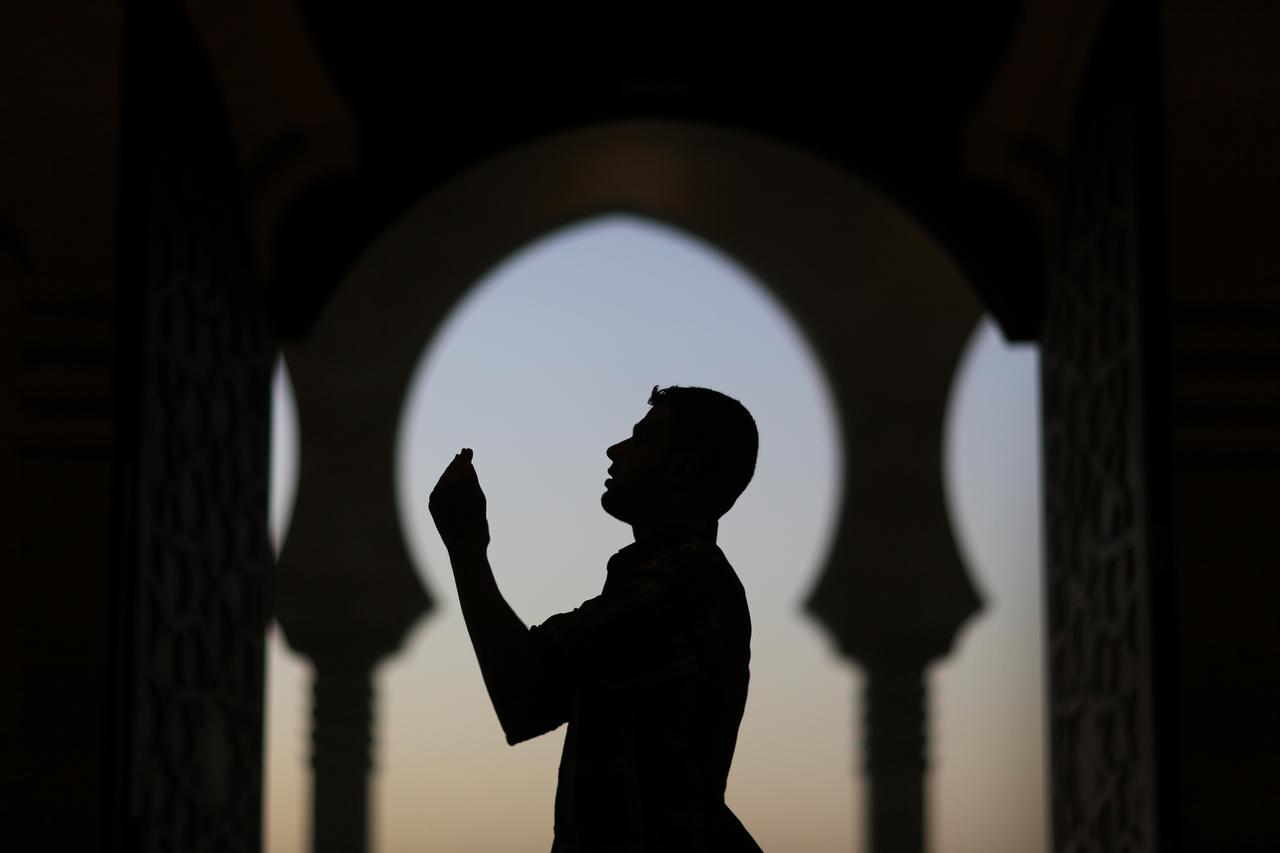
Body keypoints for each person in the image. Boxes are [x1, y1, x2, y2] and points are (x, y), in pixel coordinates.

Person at [429, 385, 763, 852]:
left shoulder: (684, 581)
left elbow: (523, 693)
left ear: (683, 466)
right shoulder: (669, 580)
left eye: (642, 439)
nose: (615, 450)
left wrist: (465, 546)